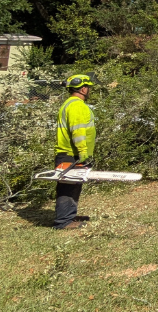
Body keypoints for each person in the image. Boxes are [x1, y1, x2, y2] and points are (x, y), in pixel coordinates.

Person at [54, 74, 97, 230]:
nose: (89, 90)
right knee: (68, 187)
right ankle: (63, 221)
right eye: (89, 88)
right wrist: (83, 153)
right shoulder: (76, 106)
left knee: (74, 185)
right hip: (71, 154)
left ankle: (69, 216)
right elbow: (77, 132)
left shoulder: (70, 104)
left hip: (72, 154)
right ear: (84, 89)